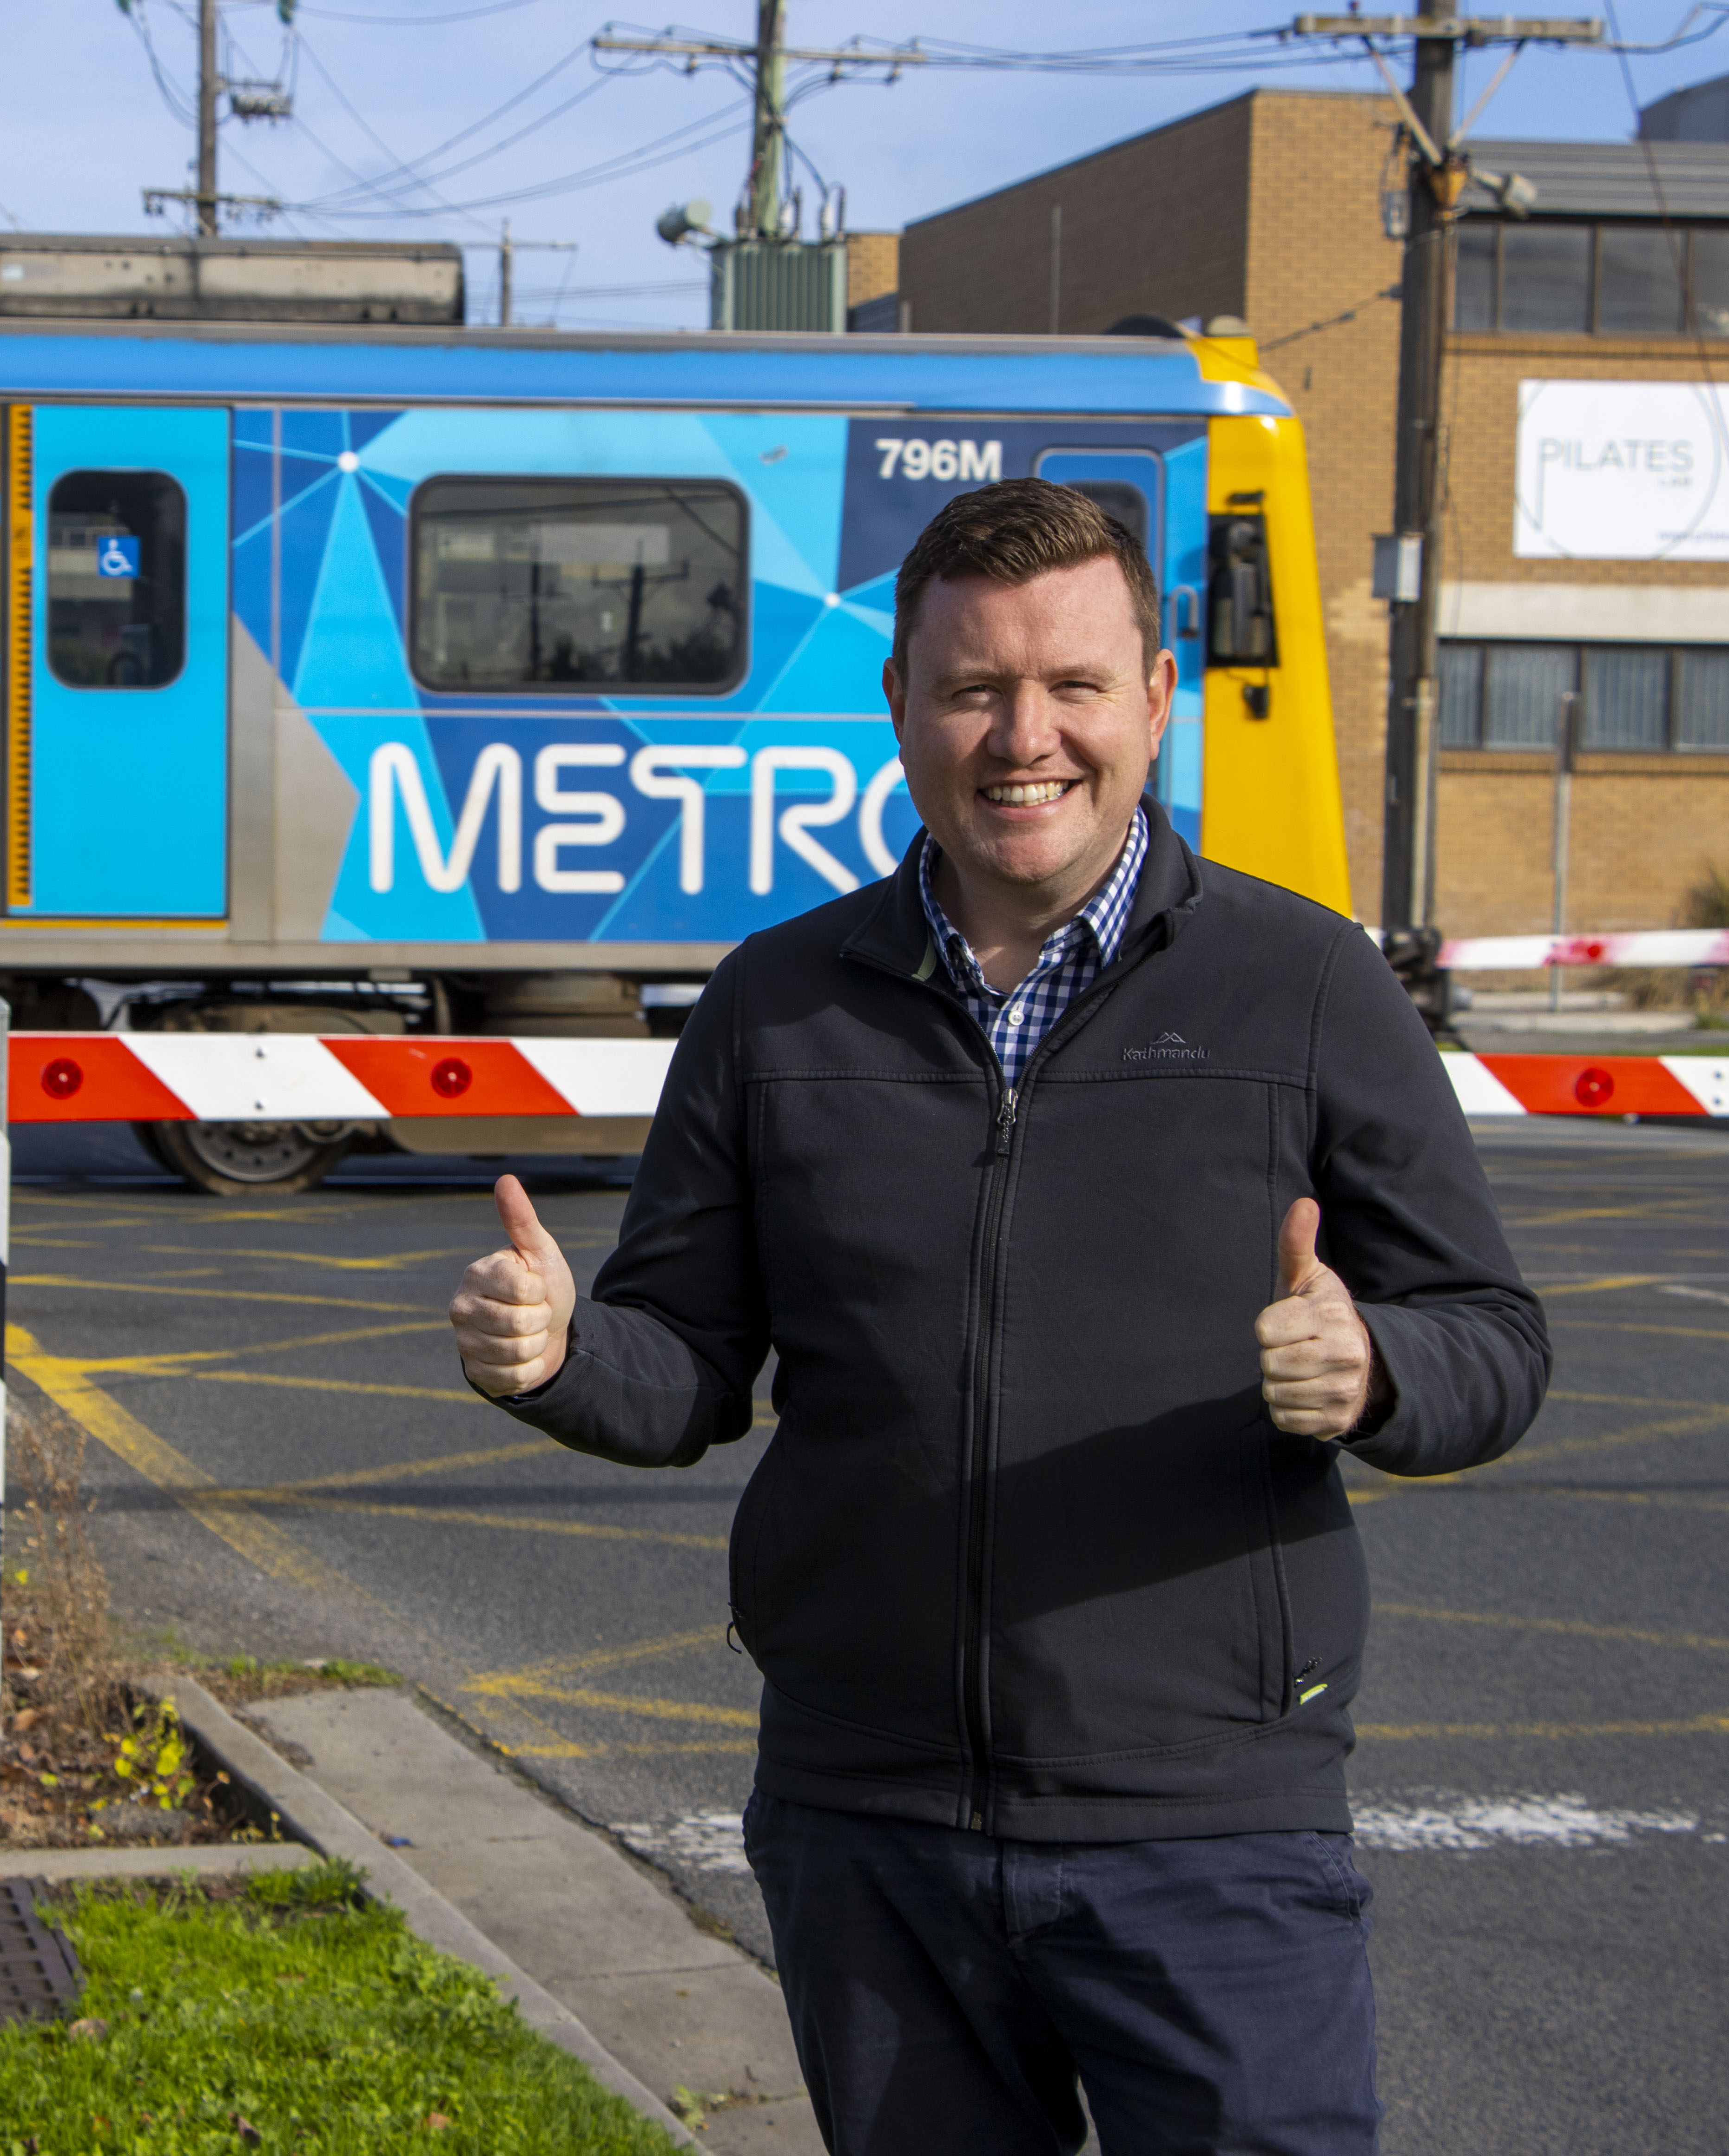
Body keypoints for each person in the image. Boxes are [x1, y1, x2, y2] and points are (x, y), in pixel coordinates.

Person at [446, 479, 1548, 2156]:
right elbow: (683, 1368)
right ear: (899, 707)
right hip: (866, 1825)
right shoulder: (775, 1001)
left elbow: (1494, 1336)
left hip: (1209, 1827)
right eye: (971, 689)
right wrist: (563, 1354)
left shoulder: (1308, 982)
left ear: (1155, 703)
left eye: (1074, 687)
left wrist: (1378, 1364)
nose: (1023, 736)